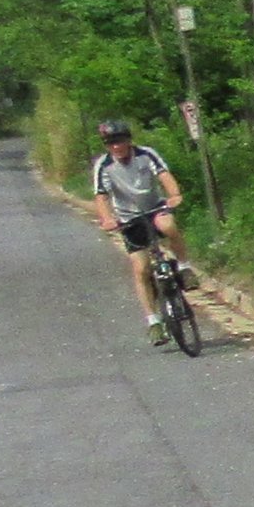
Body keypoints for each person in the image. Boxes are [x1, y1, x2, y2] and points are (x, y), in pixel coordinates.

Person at [90, 118, 196, 344]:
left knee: (168, 226)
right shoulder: (104, 165)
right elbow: (101, 196)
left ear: (128, 140)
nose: (116, 146)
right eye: (110, 143)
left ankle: (185, 268)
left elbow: (164, 175)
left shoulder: (146, 154)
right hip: (129, 218)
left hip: (154, 208)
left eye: (119, 141)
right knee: (141, 269)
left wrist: (174, 194)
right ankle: (154, 322)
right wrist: (108, 218)